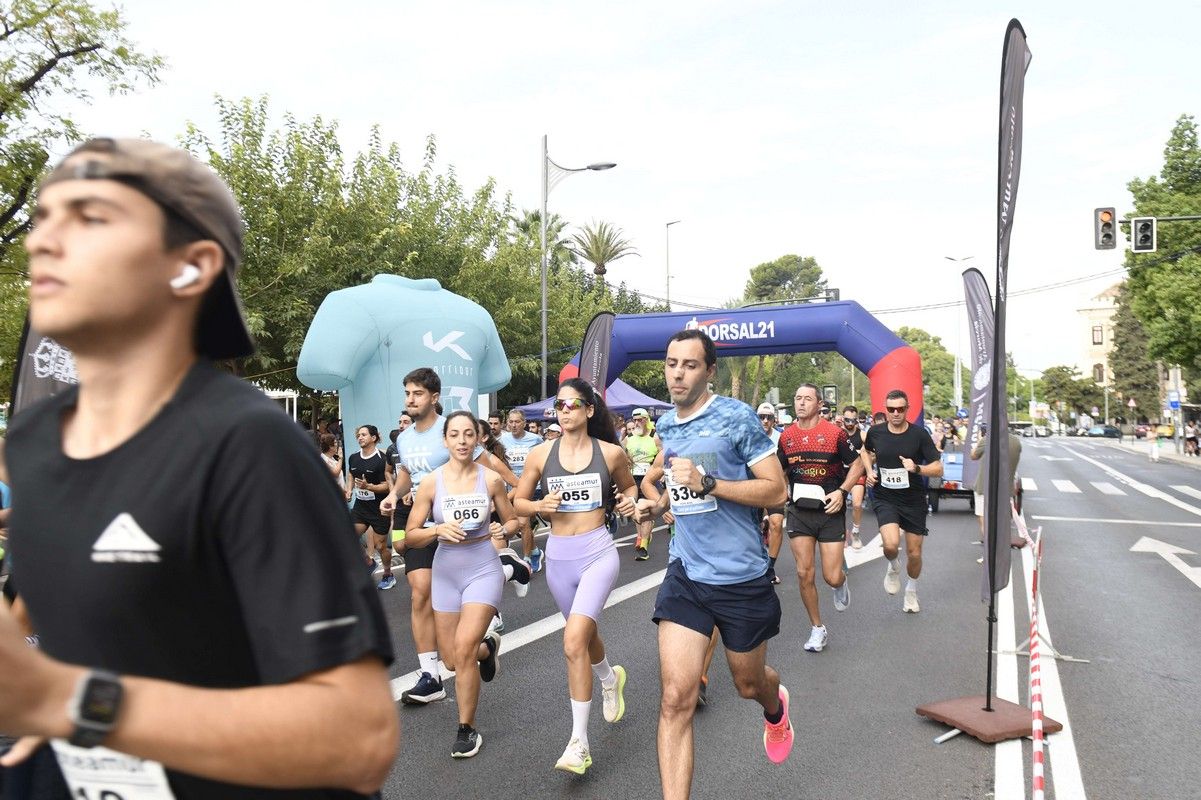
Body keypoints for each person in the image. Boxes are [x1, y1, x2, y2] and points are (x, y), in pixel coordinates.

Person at [0, 137, 396, 796]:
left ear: (190, 267)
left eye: (90, 217)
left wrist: (71, 701)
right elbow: (50, 593)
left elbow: (357, 738)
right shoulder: (36, 437)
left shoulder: (247, 444)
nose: (43, 240)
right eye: (44, 218)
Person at [635, 329, 793, 800]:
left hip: (742, 577)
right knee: (675, 699)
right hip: (687, 573)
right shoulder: (666, 426)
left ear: (709, 371)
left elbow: (775, 490)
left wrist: (711, 484)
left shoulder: (737, 418)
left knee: (748, 684)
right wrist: (657, 504)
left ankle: (775, 706)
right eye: (670, 363)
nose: (677, 373)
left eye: (689, 365)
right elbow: (679, 482)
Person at [515, 379, 638, 775]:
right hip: (559, 557)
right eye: (560, 405)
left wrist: (630, 501)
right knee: (583, 636)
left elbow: (630, 489)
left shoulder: (612, 453)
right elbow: (518, 500)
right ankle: (608, 678)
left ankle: (579, 744)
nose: (565, 410)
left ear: (588, 410)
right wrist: (538, 504)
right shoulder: (539, 454)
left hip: (598, 553)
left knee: (572, 643)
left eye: (573, 404)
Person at [405, 411, 520, 758]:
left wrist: (505, 530)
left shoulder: (490, 480)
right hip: (445, 571)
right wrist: (436, 530)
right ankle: (489, 648)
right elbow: (410, 536)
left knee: (464, 648)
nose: (462, 441)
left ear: (478, 439)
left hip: (482, 567)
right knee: (453, 661)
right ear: (445, 440)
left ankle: (466, 729)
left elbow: (512, 519)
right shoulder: (431, 483)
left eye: (469, 434)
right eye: (454, 434)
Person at [381, 367, 497, 705]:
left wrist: (519, 496)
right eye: (407, 394)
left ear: (434, 397)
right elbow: (405, 475)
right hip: (418, 519)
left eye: (416, 394)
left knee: (450, 617)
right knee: (419, 592)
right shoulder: (403, 438)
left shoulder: (451, 434)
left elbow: (490, 467)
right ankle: (430, 675)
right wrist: (392, 494)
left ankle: (482, 647)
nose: (410, 400)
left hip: (456, 520)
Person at [777, 385, 863, 653]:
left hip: (829, 512)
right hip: (800, 513)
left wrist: (843, 491)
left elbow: (858, 463)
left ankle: (840, 583)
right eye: (797, 398)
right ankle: (817, 629)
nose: (801, 403)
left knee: (831, 576)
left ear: (819, 404)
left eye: (807, 399)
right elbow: (779, 468)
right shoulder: (787, 436)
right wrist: (784, 488)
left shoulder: (834, 434)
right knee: (804, 573)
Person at [860, 389, 943, 613]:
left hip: (914, 500)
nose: (895, 413)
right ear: (885, 410)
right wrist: (869, 471)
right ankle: (893, 565)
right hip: (886, 497)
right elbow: (864, 452)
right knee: (889, 545)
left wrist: (916, 468)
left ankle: (911, 590)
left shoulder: (919, 435)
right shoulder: (875, 432)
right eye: (891, 409)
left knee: (914, 553)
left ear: (907, 409)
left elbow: (938, 468)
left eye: (900, 409)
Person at [348, 425, 395, 590]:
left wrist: (369, 487)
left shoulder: (382, 459)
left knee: (380, 546)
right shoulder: (353, 457)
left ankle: (388, 574)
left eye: (363, 435)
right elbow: (351, 474)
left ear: (373, 438)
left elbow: (388, 486)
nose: (360, 437)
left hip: (379, 508)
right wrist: (349, 490)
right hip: (360, 507)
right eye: (358, 435)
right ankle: (368, 562)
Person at [499, 409, 545, 573]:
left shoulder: (536, 440)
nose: (513, 425)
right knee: (518, 525)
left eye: (517, 422)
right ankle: (535, 551)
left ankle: (526, 560)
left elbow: (543, 460)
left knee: (523, 523)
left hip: (530, 486)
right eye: (510, 422)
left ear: (524, 423)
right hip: (511, 487)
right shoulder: (502, 439)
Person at [970, 424, 1022, 541]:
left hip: (985, 486)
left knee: (985, 520)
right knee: (1001, 522)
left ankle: (989, 553)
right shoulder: (1016, 442)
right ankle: (1000, 549)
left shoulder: (987, 440)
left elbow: (973, 455)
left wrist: (979, 440)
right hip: (1006, 488)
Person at [624, 410, 660, 561]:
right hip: (632, 479)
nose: (637, 423)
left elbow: (663, 456)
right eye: (635, 420)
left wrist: (662, 474)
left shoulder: (655, 436)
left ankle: (643, 546)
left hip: (649, 479)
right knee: (635, 512)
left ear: (646, 420)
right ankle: (642, 536)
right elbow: (621, 456)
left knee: (646, 512)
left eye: (640, 420)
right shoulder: (629, 438)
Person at [756, 402, 785, 584]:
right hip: (754, 489)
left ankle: (770, 568)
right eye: (761, 417)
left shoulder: (781, 438)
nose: (765, 421)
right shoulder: (748, 437)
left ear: (774, 420)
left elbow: (787, 465)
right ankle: (757, 563)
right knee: (753, 528)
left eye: (769, 417)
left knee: (777, 523)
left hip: (774, 490)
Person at [841, 405, 867, 549]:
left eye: (853, 420)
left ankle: (856, 531)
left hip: (858, 473)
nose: (850, 423)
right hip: (842, 473)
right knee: (840, 506)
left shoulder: (863, 435)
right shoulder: (838, 433)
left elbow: (872, 455)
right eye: (847, 420)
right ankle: (842, 533)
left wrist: (864, 456)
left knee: (857, 504)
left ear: (857, 420)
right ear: (842, 418)